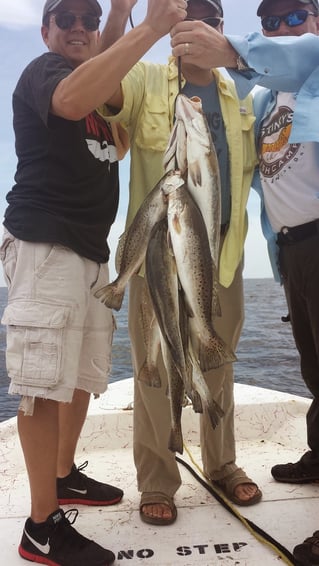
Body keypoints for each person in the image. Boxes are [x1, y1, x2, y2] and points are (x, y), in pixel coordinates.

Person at [0, 0, 187, 564]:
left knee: (80, 377)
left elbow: (103, 75)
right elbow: (73, 96)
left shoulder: (98, 81)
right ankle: (40, 527)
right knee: (42, 386)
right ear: (46, 31)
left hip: (91, 252)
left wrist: (122, 11)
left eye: (89, 17)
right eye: (68, 20)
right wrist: (151, 25)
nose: (80, 28)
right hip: (45, 243)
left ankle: (62, 475)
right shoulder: (45, 72)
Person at [98, 0, 262, 527]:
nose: (193, 26)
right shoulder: (144, 79)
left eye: (207, 19)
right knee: (153, 369)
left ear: (221, 29)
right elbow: (101, 88)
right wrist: (126, 14)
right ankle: (157, 481)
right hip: (153, 260)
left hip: (222, 260)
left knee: (218, 361)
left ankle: (223, 464)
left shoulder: (244, 98)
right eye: (181, 16)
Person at [171, 1, 319, 563]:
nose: (282, 27)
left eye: (294, 15)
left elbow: (292, 55)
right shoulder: (258, 101)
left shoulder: (312, 60)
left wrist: (229, 50)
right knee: (313, 367)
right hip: (293, 251)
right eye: (270, 20)